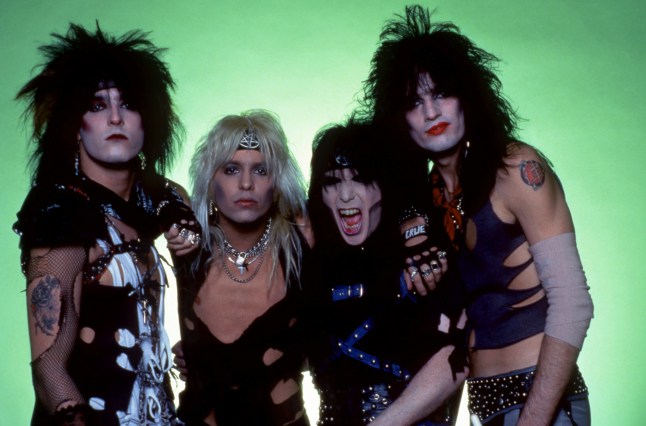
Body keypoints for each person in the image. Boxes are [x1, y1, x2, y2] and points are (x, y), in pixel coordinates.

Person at [359, 5, 594, 425]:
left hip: (543, 401)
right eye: (415, 101)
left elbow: (573, 302)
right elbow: (452, 340)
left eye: (442, 93)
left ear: (467, 96)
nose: (431, 112)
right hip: (482, 406)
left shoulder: (515, 169)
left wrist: (533, 419)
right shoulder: (426, 202)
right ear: (401, 119)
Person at [14, 23, 199, 425]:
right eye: (97, 106)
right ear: (73, 125)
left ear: (147, 120)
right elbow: (49, 374)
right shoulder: (61, 214)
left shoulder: (163, 200)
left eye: (128, 104)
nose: (116, 116)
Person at [305, 120, 467, 425]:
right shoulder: (313, 256)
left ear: (383, 183)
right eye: (332, 182)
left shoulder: (423, 251)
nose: (346, 195)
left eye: (361, 179)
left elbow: (458, 357)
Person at [173, 110, 311, 426]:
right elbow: (124, 179)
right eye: (231, 169)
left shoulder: (302, 235)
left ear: (277, 183)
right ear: (210, 180)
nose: (246, 184)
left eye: (261, 170)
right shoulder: (186, 236)